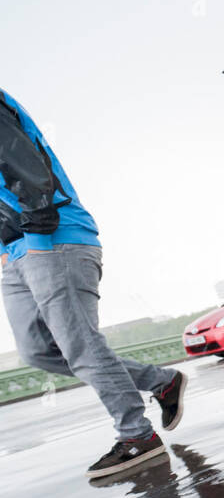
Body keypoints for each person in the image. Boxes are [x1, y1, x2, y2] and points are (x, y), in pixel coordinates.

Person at [1, 90, 187, 478]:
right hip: (14, 252)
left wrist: (36, 242)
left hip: (53, 239)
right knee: (37, 351)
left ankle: (137, 436)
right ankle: (161, 381)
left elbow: (28, 170)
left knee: (81, 346)